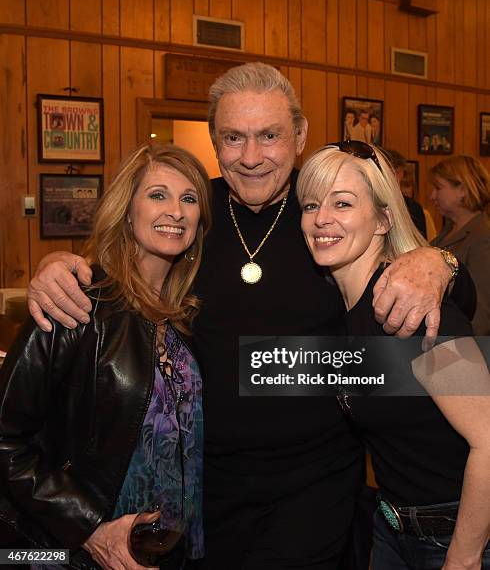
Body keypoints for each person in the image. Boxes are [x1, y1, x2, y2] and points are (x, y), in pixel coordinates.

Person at [26, 63, 471, 570]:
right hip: (200, 491)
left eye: (270, 136)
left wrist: (439, 262)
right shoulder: (192, 214)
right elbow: (124, 271)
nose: (252, 157)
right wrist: (58, 265)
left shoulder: (335, 210)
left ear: (300, 135)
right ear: (214, 141)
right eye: (234, 137)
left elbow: (452, 301)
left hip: (315, 490)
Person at [0, 142, 212, 569]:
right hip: (79, 554)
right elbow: (5, 439)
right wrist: (90, 529)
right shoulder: (75, 301)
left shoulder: (186, 316)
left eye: (188, 199)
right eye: (157, 195)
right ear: (127, 210)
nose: (175, 210)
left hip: (170, 552)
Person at [298, 140, 490, 570]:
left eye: (342, 203)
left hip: (454, 540)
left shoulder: (411, 307)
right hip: (391, 529)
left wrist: (463, 558)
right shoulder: (342, 305)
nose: (321, 218)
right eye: (310, 205)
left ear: (384, 219)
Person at [430, 154, 490, 335]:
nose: (432, 196)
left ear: (463, 189)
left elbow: (481, 313)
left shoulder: (483, 238)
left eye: (438, 188)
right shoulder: (448, 231)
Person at [385, 149, 427, 239]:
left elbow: (421, 245)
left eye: (397, 172)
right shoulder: (368, 201)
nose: (393, 177)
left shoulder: (413, 207)